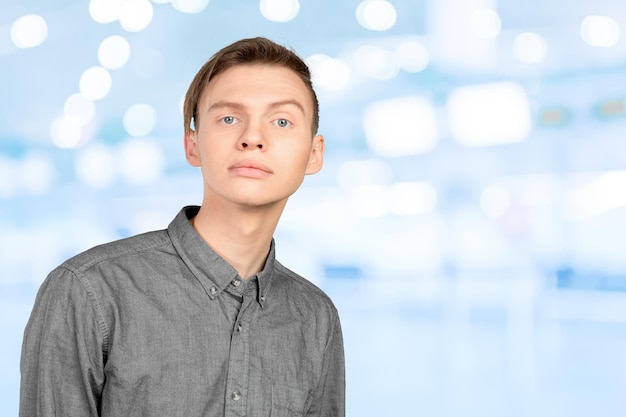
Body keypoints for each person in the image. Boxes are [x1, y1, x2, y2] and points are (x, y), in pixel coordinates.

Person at [20, 37, 345, 417]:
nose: (253, 138)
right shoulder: (89, 291)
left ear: (314, 153)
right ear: (192, 144)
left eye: (282, 121)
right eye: (229, 118)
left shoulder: (315, 316)